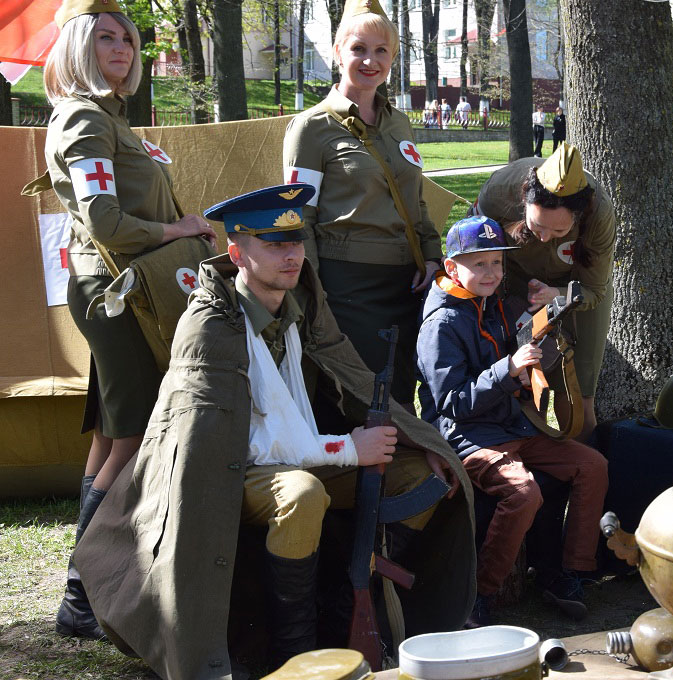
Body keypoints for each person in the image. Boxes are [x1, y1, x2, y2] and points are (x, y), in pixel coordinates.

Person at [74, 184, 476, 679]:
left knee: (423, 475)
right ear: (238, 253)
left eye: (296, 242)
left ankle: (347, 603)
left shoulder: (303, 301)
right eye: (274, 244)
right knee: (302, 494)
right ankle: (294, 648)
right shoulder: (210, 324)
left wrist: (419, 441)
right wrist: (347, 449)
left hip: (300, 455)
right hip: (229, 470)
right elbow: (226, 443)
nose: (292, 256)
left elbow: (345, 372)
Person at [42, 0, 217, 640]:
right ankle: (87, 593)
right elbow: (106, 221)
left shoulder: (109, 119)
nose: (122, 48)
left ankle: (80, 593)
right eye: (105, 37)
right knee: (134, 432)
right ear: (79, 47)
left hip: (125, 289)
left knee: (114, 433)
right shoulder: (86, 119)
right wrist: (178, 232)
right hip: (115, 293)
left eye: (128, 38)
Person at [416, 216, 608, 626]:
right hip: (469, 438)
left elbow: (529, 357)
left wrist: (544, 331)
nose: (491, 273)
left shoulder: (499, 305)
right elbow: (451, 401)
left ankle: (568, 571)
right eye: (479, 264)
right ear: (452, 269)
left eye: (497, 263)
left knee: (592, 465)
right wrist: (508, 370)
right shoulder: (441, 325)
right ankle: (478, 593)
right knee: (525, 494)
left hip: (514, 427)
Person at [282, 0, 442, 405]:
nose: (370, 61)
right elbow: (300, 217)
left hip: (407, 282)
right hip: (348, 286)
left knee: (403, 392)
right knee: (360, 400)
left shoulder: (400, 124)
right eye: (358, 49)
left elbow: (415, 199)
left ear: (392, 59)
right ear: (338, 52)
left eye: (381, 51)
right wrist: (315, 294)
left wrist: (431, 256)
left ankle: (399, 472)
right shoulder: (311, 128)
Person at [473, 145, 615, 440]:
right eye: (536, 226)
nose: (544, 237)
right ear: (523, 200)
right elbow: (471, 251)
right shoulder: (498, 191)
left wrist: (559, 294)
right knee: (525, 385)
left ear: (578, 217)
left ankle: (583, 462)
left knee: (578, 396)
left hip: (578, 287)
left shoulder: (600, 213)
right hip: (517, 281)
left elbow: (594, 290)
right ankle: (535, 459)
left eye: (559, 232)